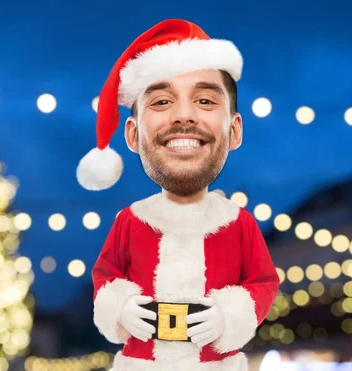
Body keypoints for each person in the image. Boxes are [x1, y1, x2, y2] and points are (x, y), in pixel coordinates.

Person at [76, 19, 280, 371]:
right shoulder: (130, 221)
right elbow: (105, 276)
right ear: (132, 135)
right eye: (161, 101)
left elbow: (262, 283)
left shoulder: (239, 223)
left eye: (204, 100)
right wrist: (121, 308)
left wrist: (228, 317)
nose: (183, 115)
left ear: (233, 131)